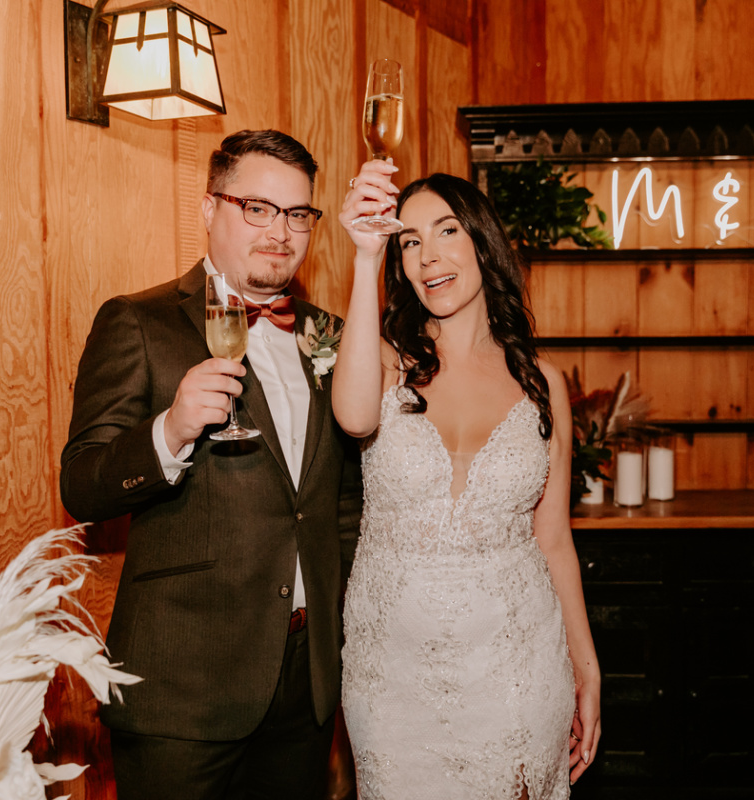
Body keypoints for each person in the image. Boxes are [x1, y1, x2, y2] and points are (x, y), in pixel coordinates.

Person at [60, 129, 361, 800]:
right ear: (209, 209)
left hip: (303, 686)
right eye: (258, 208)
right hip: (182, 691)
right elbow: (81, 482)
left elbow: (340, 501)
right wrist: (169, 430)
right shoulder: (137, 322)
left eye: (297, 214)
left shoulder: (329, 336)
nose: (280, 231)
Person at [331, 161, 601, 798]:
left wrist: (586, 666)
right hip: (392, 676)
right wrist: (365, 259)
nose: (428, 257)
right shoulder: (384, 360)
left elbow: (555, 540)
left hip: (516, 666)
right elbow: (352, 415)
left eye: (447, 231)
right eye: (410, 241)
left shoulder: (543, 384)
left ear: (482, 243)